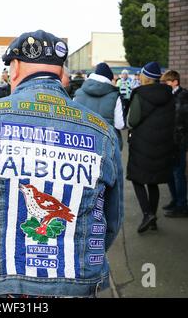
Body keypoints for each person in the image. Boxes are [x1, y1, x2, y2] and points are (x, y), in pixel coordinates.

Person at [0, 30, 124, 298]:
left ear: (15, 68)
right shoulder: (103, 132)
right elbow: (110, 220)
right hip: (74, 288)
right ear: (60, 71)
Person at [127, 62, 175, 233]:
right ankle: (153, 219)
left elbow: (132, 120)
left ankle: (148, 213)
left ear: (145, 77)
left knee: (137, 178)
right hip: (162, 144)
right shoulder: (169, 94)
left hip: (142, 144)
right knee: (153, 181)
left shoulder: (140, 94)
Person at [74, 62, 124, 149]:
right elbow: (120, 125)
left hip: (82, 142)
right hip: (107, 144)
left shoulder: (78, 93)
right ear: (109, 80)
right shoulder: (115, 96)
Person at [160, 70, 188, 217]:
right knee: (170, 173)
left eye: (167, 82)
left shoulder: (183, 96)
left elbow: (178, 120)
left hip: (179, 142)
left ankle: (182, 205)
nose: (165, 85)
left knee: (178, 174)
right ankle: (175, 200)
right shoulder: (171, 96)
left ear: (175, 82)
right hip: (169, 141)